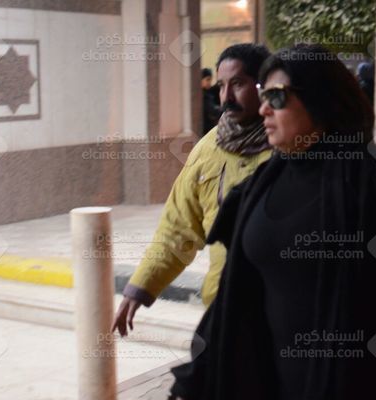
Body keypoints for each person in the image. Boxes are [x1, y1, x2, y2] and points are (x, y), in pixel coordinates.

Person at [169, 44, 376, 400]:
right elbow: (238, 294)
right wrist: (202, 372)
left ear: (320, 100)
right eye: (262, 95)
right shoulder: (261, 184)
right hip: (268, 397)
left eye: (276, 97)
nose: (264, 109)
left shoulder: (374, 181)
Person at [111, 44, 272, 336]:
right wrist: (141, 287)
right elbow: (178, 229)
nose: (226, 97)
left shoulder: (290, 147)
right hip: (223, 311)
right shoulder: (207, 150)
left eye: (238, 84)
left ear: (264, 86)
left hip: (281, 315)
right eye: (221, 86)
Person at [202, 68, 221, 133]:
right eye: (207, 79)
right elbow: (213, 110)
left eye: (210, 79)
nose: (210, 82)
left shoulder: (209, 92)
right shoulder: (203, 96)